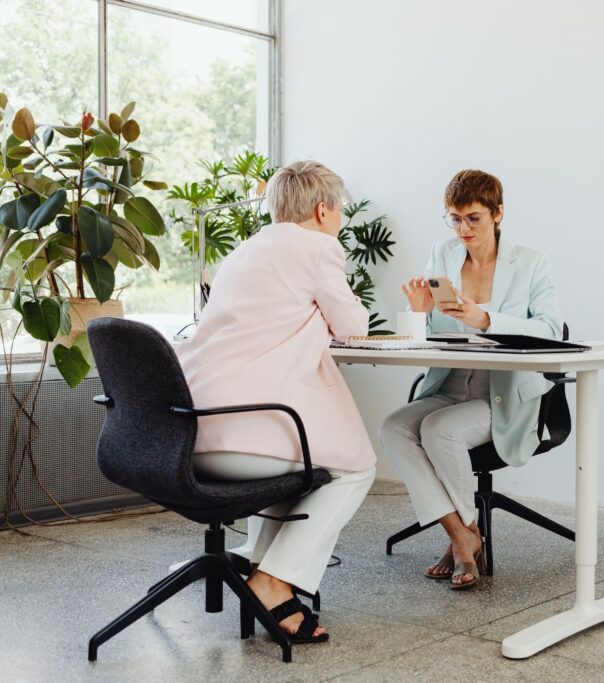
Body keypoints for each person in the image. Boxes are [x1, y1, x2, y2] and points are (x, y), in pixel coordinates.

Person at [176, 160, 376, 643]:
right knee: (357, 467)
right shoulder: (318, 248)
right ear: (324, 209)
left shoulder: (245, 251)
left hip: (190, 431)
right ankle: (272, 582)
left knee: (304, 464)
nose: (342, 217)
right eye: (341, 209)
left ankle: (263, 566)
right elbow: (353, 326)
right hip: (247, 435)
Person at [379, 169, 563, 589]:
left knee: (439, 429)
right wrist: (419, 313)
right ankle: (464, 534)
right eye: (455, 218)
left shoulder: (530, 262)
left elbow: (552, 329)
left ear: (497, 214)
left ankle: (460, 541)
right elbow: (430, 336)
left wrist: (486, 319)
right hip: (450, 386)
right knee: (393, 426)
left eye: (473, 218)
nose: (463, 228)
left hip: (505, 395)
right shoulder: (442, 254)